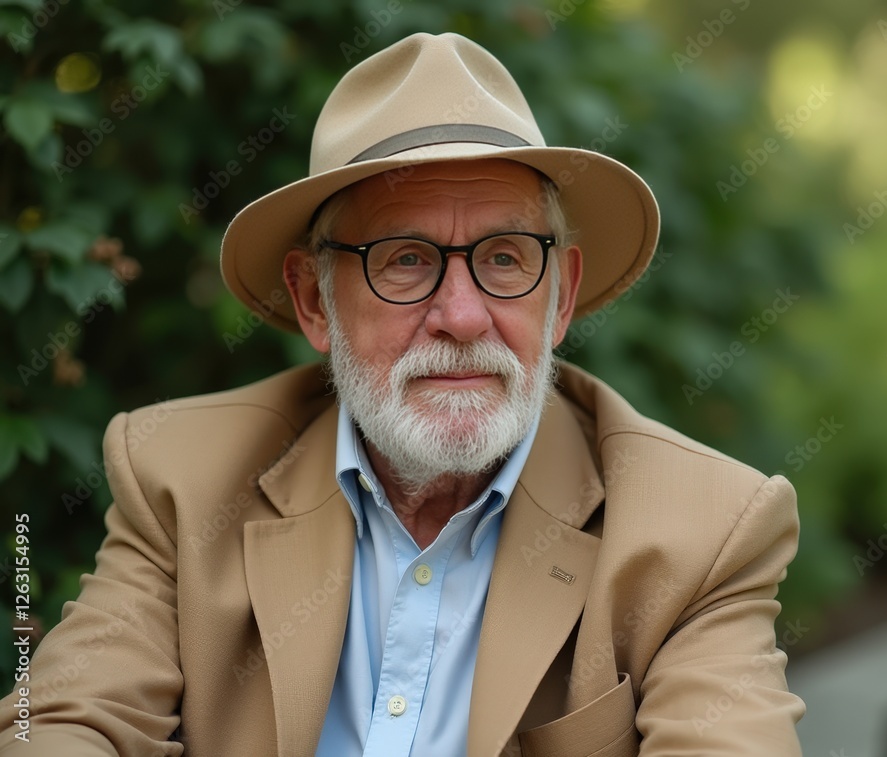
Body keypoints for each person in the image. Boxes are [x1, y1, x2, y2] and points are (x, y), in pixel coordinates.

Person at [0, 32, 804, 756]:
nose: (462, 317)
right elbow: (58, 720)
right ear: (314, 302)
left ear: (559, 297)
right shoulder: (180, 481)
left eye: (505, 257)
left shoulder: (703, 532)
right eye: (406, 259)